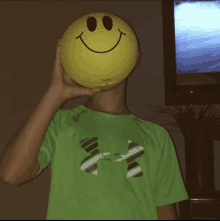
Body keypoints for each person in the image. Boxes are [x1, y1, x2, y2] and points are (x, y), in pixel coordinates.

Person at [0, 39, 188, 220]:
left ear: (135, 57)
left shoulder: (157, 136)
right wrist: (55, 95)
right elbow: (11, 175)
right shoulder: (60, 123)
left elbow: (165, 212)